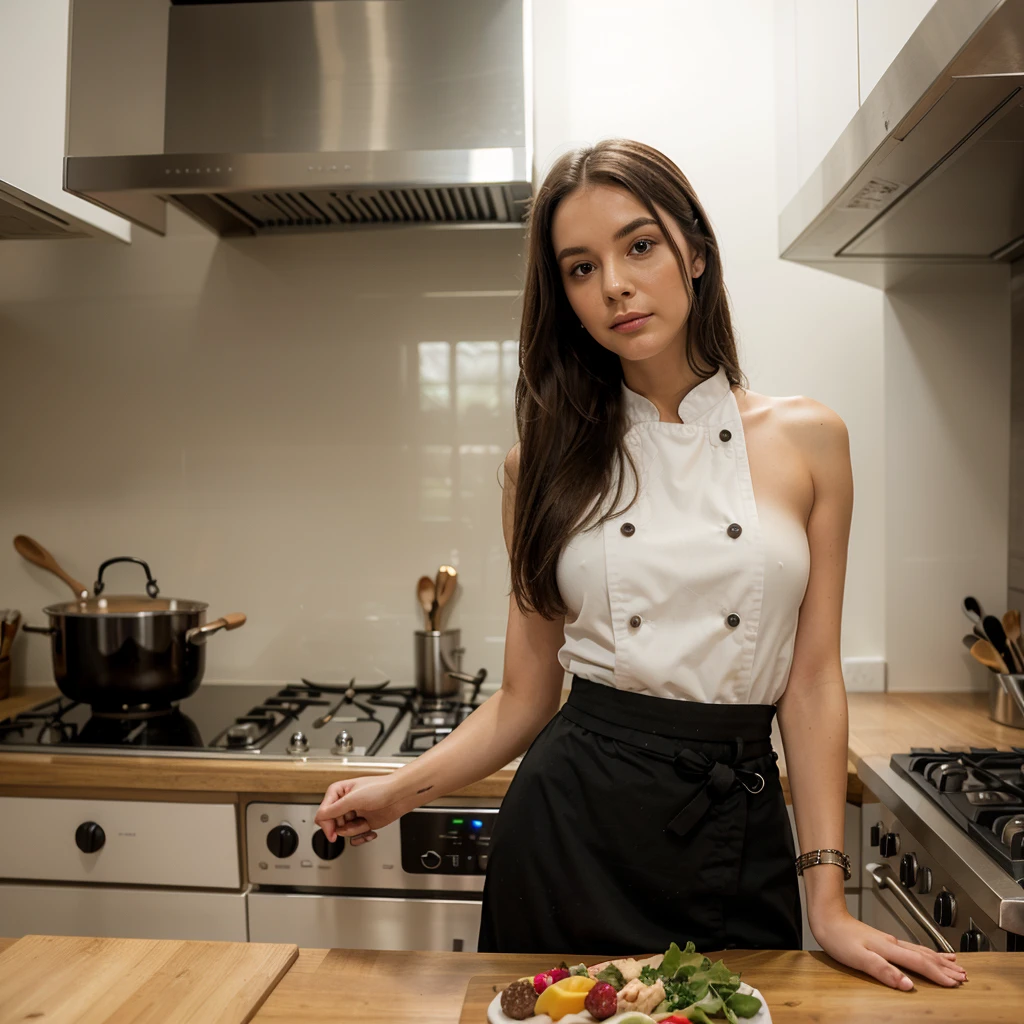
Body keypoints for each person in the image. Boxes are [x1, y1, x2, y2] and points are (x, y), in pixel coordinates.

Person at [315, 139, 966, 991]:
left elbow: (809, 685)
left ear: (694, 251)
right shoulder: (537, 466)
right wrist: (405, 788)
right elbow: (524, 697)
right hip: (568, 835)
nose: (614, 284)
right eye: (580, 268)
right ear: (567, 298)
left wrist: (828, 901)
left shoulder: (810, 440)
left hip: (735, 824)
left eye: (640, 246)